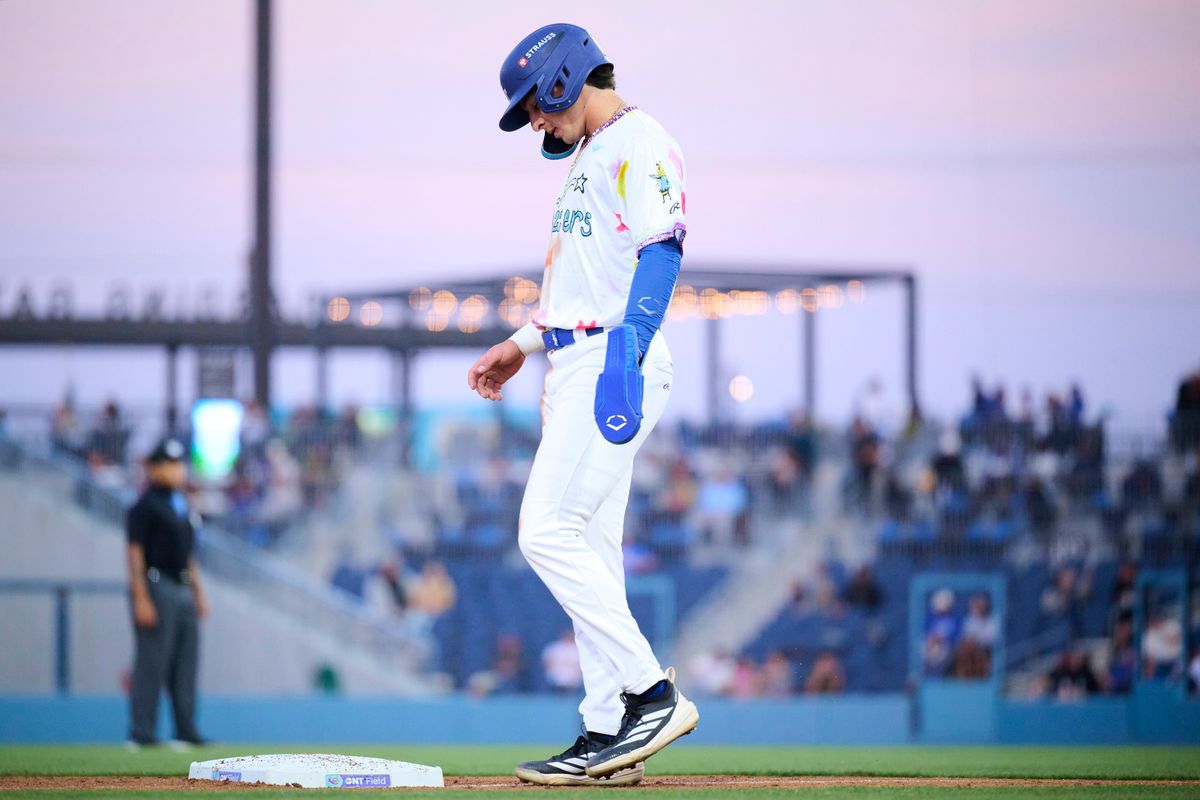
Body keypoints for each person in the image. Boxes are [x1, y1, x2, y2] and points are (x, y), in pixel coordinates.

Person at [469, 22, 696, 787]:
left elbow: (662, 250)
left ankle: (651, 694)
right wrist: (522, 343)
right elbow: (583, 283)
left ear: (565, 77)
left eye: (533, 102)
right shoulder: (594, 155)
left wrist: (628, 352)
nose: (533, 119)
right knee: (589, 548)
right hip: (573, 357)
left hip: (611, 359)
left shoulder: (642, 140)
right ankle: (606, 731)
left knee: (543, 531)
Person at [125, 438, 208, 748]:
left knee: (186, 662)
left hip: (182, 585)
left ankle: (185, 730)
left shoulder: (182, 506)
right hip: (156, 584)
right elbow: (134, 552)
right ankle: (141, 732)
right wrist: (141, 596)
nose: (177, 470)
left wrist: (198, 592)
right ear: (154, 468)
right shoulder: (144, 506)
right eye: (169, 464)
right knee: (152, 661)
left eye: (178, 463)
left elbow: (188, 555)